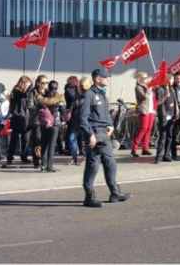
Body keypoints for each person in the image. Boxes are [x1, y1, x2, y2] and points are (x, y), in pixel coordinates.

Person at [79, 69, 130, 208]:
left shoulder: (102, 94)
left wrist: (111, 125)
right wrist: (90, 135)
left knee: (110, 163)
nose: (107, 79)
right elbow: (83, 118)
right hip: (94, 134)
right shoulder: (88, 95)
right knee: (93, 166)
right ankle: (89, 196)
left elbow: (105, 114)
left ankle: (114, 193)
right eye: (105, 77)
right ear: (97, 79)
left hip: (104, 134)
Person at [38, 80, 66, 173]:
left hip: (44, 123)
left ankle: (43, 165)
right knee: (52, 145)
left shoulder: (43, 98)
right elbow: (63, 110)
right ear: (56, 88)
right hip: (55, 123)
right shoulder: (59, 98)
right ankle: (49, 166)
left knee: (44, 144)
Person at [7, 76, 33, 166]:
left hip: (19, 116)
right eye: (27, 83)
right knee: (19, 138)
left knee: (22, 138)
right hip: (20, 117)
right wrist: (30, 86)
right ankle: (13, 156)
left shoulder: (16, 90)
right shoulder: (17, 91)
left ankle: (17, 156)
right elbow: (24, 95)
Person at [153, 78, 178, 163]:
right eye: (170, 79)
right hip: (164, 115)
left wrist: (176, 111)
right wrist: (165, 96)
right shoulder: (160, 89)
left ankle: (167, 155)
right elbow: (158, 103)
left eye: (172, 80)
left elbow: (175, 101)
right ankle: (158, 156)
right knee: (163, 136)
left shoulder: (172, 89)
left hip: (171, 114)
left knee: (170, 136)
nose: (171, 81)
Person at [131, 72, 155, 158]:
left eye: (146, 77)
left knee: (149, 129)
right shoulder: (138, 87)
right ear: (139, 78)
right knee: (143, 128)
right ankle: (134, 148)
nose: (146, 79)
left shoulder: (147, 85)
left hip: (151, 109)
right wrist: (149, 89)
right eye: (144, 78)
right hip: (144, 110)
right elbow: (143, 97)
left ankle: (145, 148)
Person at [27, 75, 49, 168]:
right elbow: (30, 106)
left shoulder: (48, 92)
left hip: (47, 121)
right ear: (38, 83)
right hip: (37, 120)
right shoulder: (32, 92)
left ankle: (45, 160)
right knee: (37, 141)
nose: (45, 85)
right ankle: (36, 161)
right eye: (43, 83)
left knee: (46, 141)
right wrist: (40, 106)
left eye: (46, 83)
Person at [64, 76, 82, 165]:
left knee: (72, 137)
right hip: (79, 116)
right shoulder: (77, 90)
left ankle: (76, 157)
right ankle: (76, 156)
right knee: (75, 137)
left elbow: (72, 102)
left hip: (75, 116)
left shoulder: (70, 90)